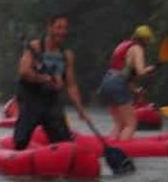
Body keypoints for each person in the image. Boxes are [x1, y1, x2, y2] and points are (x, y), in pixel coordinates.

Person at [13, 14, 90, 150]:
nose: (62, 32)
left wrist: (80, 110)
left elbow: (71, 86)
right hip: (30, 98)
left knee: (64, 142)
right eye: (58, 27)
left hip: (51, 101)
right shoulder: (35, 47)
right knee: (21, 140)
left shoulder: (67, 55)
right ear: (50, 28)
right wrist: (45, 78)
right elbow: (24, 71)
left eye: (65, 28)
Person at [96, 25, 157, 140]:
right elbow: (140, 71)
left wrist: (135, 90)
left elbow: (123, 74)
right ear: (143, 39)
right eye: (148, 40)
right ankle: (122, 151)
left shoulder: (123, 45)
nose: (148, 43)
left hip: (106, 82)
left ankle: (110, 147)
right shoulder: (137, 48)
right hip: (117, 84)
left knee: (120, 124)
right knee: (131, 124)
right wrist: (149, 70)